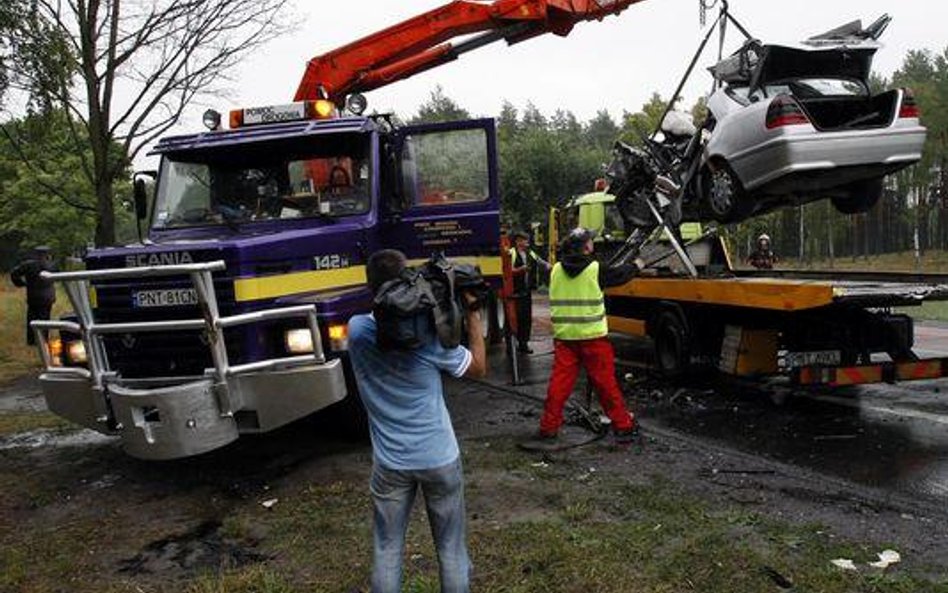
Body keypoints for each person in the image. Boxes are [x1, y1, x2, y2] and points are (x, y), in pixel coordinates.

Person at [347, 249, 487, 593]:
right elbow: (479, 369)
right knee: (451, 550)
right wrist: (471, 314)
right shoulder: (427, 338)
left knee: (387, 548)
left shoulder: (357, 331)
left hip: (390, 463)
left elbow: (381, 322)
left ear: (371, 287)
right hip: (439, 457)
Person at [539, 228, 638, 442]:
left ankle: (548, 426)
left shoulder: (555, 270)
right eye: (591, 241)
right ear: (586, 247)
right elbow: (620, 275)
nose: (593, 243)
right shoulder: (595, 269)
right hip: (593, 338)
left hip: (565, 339)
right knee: (606, 385)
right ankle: (623, 425)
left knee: (559, 384)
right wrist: (638, 265)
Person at [509, 230, 551, 354]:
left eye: (526, 240)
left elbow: (540, 262)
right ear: (517, 241)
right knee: (515, 319)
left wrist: (552, 266)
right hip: (515, 292)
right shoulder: (512, 253)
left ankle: (523, 344)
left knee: (526, 318)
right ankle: (512, 345)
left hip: (526, 291)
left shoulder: (530, 253)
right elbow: (508, 271)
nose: (525, 242)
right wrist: (519, 270)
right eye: (522, 240)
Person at [10, 246, 57, 346]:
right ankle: (43, 340)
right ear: (47, 254)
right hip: (48, 297)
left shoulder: (28, 265)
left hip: (34, 296)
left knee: (32, 318)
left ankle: (32, 341)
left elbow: (14, 274)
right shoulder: (51, 265)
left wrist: (20, 283)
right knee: (45, 318)